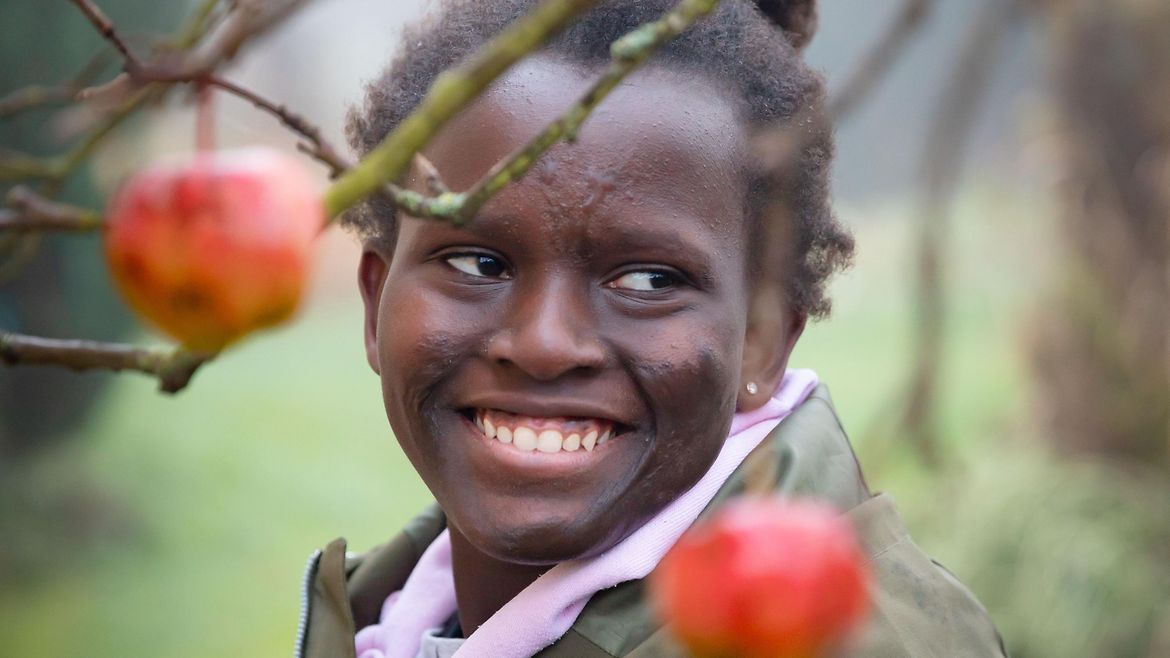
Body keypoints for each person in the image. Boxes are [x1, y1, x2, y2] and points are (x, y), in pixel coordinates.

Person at [297, 1, 1008, 656]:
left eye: (647, 281)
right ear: (374, 302)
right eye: (479, 263)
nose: (545, 344)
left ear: (763, 339)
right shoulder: (385, 616)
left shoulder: (840, 639)